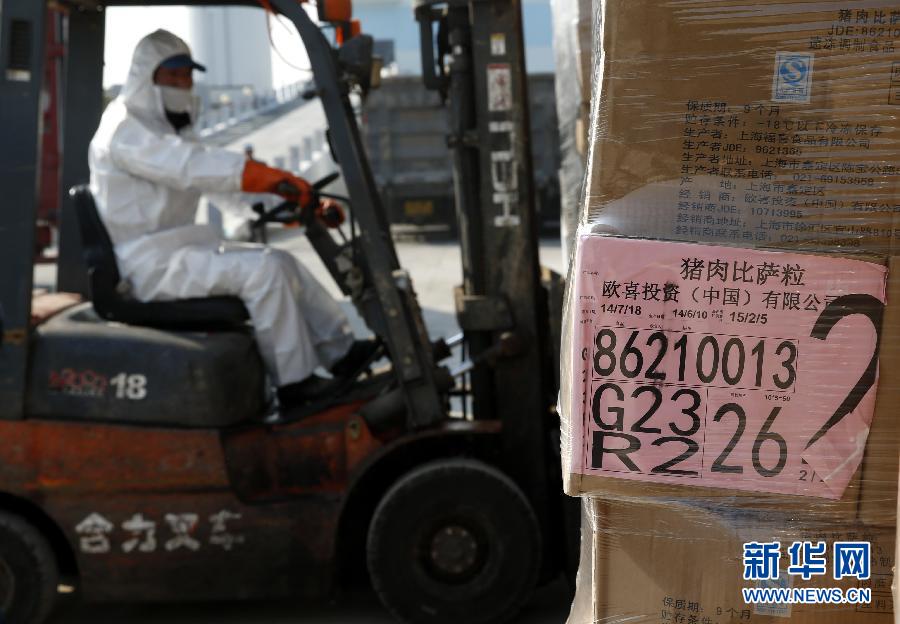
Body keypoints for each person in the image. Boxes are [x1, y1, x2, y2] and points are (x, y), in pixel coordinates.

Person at [89, 29, 374, 407]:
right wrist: (267, 177)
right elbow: (192, 167)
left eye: (187, 76)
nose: (182, 84)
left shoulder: (168, 129)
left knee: (282, 262)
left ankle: (342, 353)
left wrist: (274, 207)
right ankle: (295, 386)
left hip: (179, 251)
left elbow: (215, 185)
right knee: (263, 272)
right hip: (148, 266)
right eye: (172, 75)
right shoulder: (125, 129)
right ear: (146, 77)